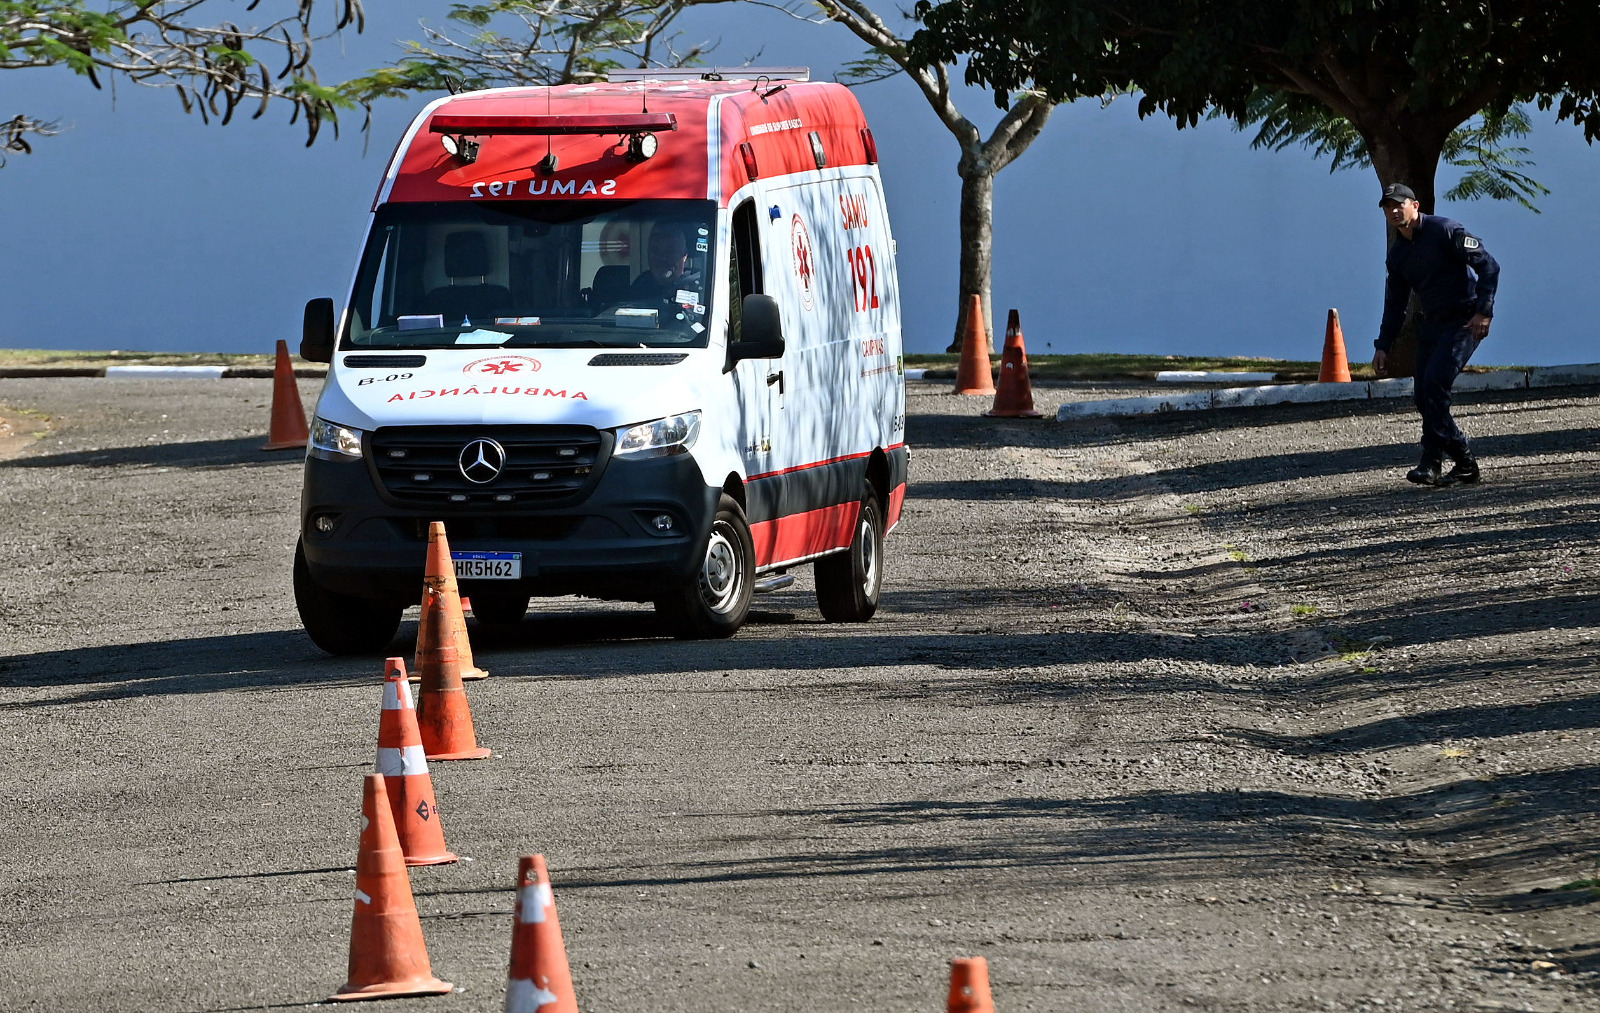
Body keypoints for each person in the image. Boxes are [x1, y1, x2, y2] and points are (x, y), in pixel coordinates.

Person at [1372, 182, 1500, 486]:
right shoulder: (1398, 253)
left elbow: (1490, 267)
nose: (1392, 211)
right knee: (1422, 397)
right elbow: (1395, 304)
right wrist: (1383, 346)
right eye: (1387, 206)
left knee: (1436, 382)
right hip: (1431, 324)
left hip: (1464, 322)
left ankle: (1430, 461)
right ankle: (1465, 462)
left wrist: (1484, 311)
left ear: (1415, 206)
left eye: (1398, 204)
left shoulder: (1445, 231)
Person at [630, 225, 697, 302]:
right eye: (656, 251)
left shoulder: (698, 287)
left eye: (670, 251)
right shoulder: (641, 284)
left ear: (684, 255)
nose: (662, 258)